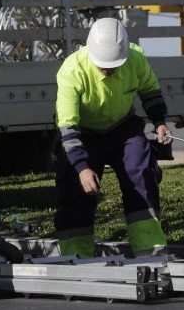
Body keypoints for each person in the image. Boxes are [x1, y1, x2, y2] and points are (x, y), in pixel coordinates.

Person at [53, 17, 172, 259]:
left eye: (114, 65)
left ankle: (151, 251)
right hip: (83, 133)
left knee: (142, 175)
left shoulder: (135, 59)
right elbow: (67, 126)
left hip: (123, 129)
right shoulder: (71, 70)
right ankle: (77, 257)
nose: (108, 69)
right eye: (103, 65)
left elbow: (150, 90)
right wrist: (82, 168)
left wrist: (159, 121)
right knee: (76, 190)